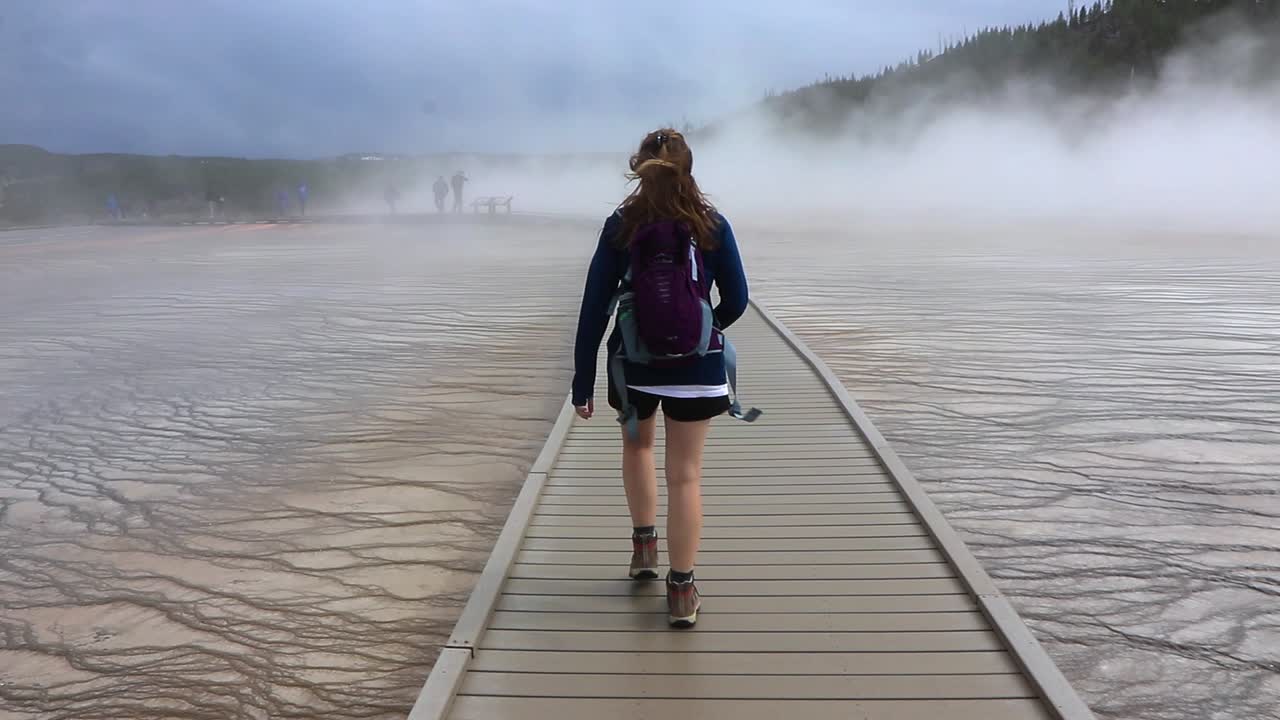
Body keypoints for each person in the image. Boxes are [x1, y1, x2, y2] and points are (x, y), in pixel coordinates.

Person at [572, 128, 749, 629]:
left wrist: (582, 381)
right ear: (688, 170)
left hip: (633, 368)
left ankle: (644, 548)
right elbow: (735, 299)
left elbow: (593, 310)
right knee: (686, 474)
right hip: (697, 372)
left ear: (640, 171)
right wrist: (700, 331)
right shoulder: (711, 223)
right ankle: (681, 589)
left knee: (638, 448)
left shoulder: (620, 225)